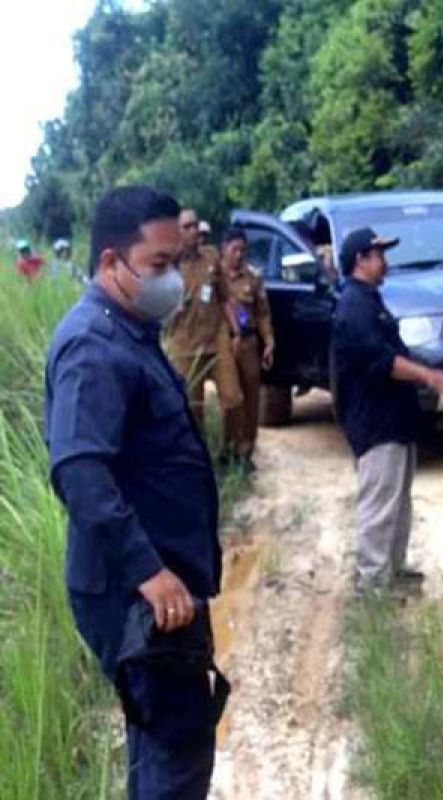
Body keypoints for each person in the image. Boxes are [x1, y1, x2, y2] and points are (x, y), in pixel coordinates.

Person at [43, 186, 225, 799]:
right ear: (110, 265)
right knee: (177, 745)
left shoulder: (131, 328)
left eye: (177, 263)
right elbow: (79, 472)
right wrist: (151, 572)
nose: (173, 279)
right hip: (138, 595)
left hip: (156, 584)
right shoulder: (93, 346)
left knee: (161, 741)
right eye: (159, 266)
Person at [331, 227, 443, 593]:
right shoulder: (354, 307)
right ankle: (372, 583)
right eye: (378, 255)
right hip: (375, 423)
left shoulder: (370, 300)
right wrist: (429, 376)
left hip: (395, 420)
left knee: (399, 502)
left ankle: (394, 572)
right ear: (361, 260)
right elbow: (384, 362)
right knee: (379, 504)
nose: (384, 262)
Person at [164, 208, 242, 432]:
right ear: (176, 232)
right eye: (187, 227)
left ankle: (235, 453)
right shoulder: (168, 267)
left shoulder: (210, 256)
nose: (193, 230)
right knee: (190, 407)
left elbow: (225, 297)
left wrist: (236, 331)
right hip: (184, 344)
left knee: (233, 397)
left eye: (195, 225)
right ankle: (201, 459)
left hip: (216, 338)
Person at [218, 227, 275, 471]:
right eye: (234, 249)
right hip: (223, 343)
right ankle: (227, 449)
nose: (239, 254)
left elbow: (262, 313)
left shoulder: (252, 277)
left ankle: (245, 452)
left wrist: (269, 341)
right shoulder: (214, 276)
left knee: (251, 399)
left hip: (249, 343)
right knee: (231, 399)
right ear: (223, 249)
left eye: (243, 249)